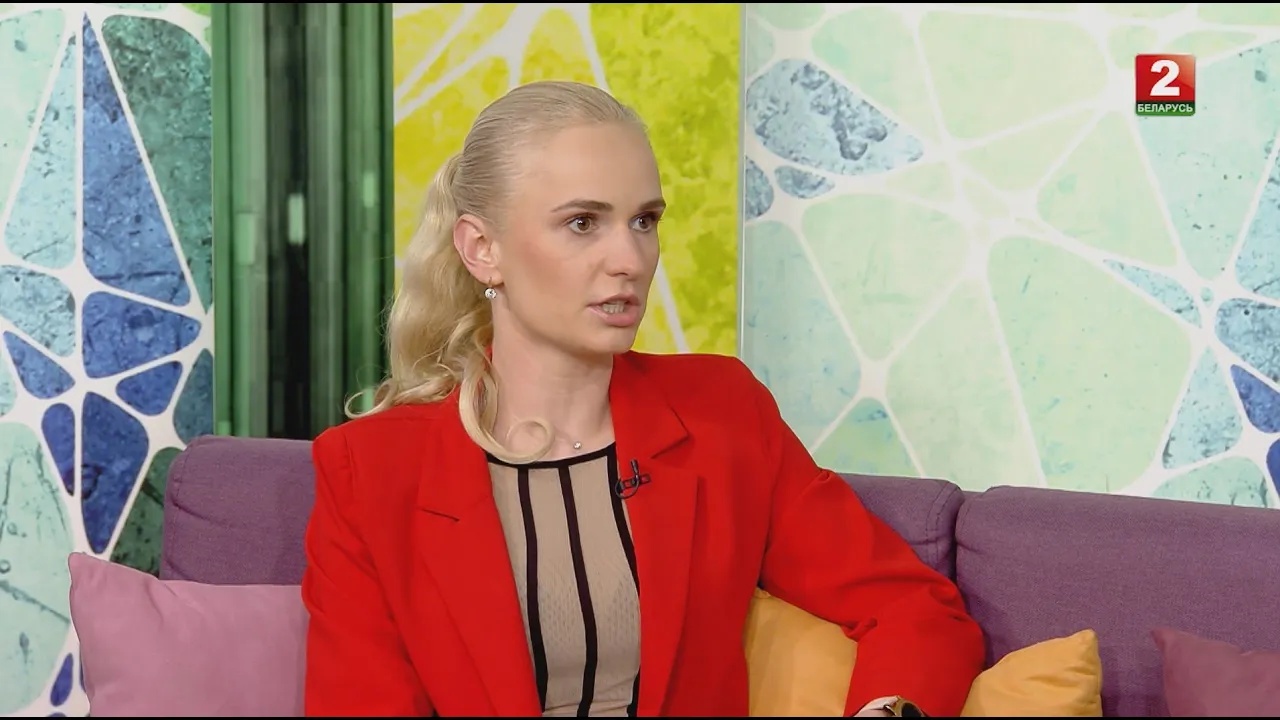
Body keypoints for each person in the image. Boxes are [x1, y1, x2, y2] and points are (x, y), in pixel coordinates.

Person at [300, 80, 985, 718]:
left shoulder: (722, 413)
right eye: (582, 223)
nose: (629, 260)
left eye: (644, 221)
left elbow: (915, 611)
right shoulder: (369, 472)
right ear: (483, 249)